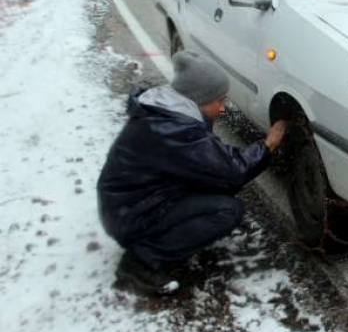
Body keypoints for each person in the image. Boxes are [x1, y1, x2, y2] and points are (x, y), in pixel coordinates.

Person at [97, 50, 287, 295]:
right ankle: (140, 262)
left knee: (213, 188)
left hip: (128, 204)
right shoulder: (174, 130)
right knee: (227, 211)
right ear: (200, 98)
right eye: (220, 101)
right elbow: (232, 171)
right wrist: (268, 145)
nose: (222, 109)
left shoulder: (167, 114)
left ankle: (158, 241)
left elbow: (211, 162)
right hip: (130, 215)